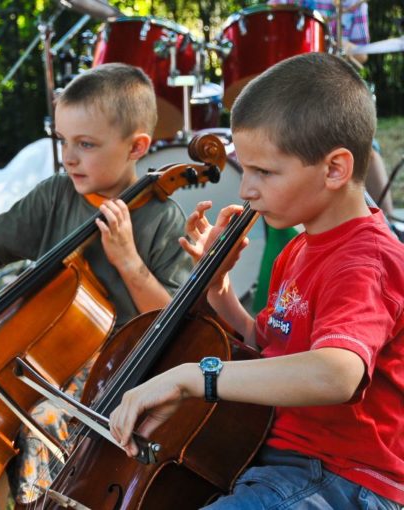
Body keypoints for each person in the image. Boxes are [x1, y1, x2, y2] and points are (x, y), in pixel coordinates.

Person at [110, 53, 404, 509]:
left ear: (334, 169)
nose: (245, 189)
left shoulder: (365, 260)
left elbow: (336, 373)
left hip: (342, 479)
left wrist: (196, 376)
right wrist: (219, 292)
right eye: (244, 168)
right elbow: (267, 346)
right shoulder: (298, 248)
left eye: (264, 172)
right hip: (277, 464)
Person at [0, 63, 193, 505]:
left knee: (43, 418)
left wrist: (128, 261)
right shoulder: (55, 193)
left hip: (114, 364)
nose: (69, 157)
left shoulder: (161, 218)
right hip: (36, 354)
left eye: (85, 145)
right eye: (63, 141)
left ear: (136, 147)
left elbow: (168, 320)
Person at [268, 0, 393, 216]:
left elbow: (362, 54)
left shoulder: (355, 3)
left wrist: (346, 45)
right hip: (290, 82)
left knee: (365, 147)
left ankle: (391, 225)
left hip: (331, 83)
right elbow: (271, 21)